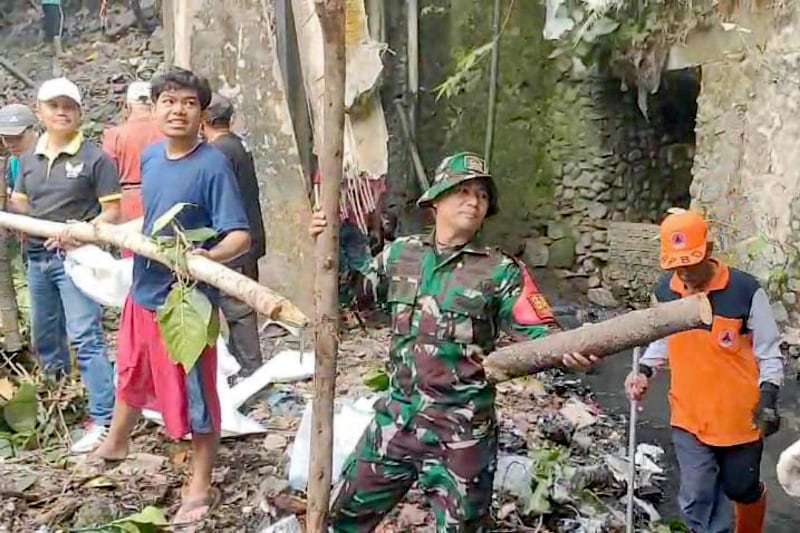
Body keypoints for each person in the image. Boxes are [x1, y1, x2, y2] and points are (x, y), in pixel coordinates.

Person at [309, 151, 597, 531]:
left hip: (461, 434)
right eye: (463, 191)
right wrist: (326, 245)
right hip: (397, 420)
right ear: (436, 201)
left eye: (482, 195)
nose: (474, 201)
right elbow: (352, 294)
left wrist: (570, 351)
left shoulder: (501, 271)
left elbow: (543, 333)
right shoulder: (400, 254)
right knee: (342, 519)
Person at [93, 68, 251, 525]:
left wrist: (206, 256)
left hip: (187, 301)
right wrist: (96, 232)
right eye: (169, 101)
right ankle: (117, 442)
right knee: (131, 369)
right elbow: (154, 222)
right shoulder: (151, 157)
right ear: (155, 108)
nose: (178, 110)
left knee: (197, 393)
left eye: (188, 103)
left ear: (201, 113)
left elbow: (239, 235)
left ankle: (200, 483)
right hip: (144, 291)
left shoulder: (213, 164)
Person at [624, 209, 784, 533]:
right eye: (676, 265)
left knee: (741, 488)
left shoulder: (744, 291)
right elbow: (662, 342)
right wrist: (643, 371)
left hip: (740, 418)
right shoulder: (666, 292)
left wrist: (768, 398)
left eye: (691, 263)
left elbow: (769, 352)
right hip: (689, 416)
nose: (683, 273)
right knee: (698, 495)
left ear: (708, 251)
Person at [11, 78, 120, 453]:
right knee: (45, 337)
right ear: (39, 111)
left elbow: (112, 212)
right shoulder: (28, 159)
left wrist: (81, 232)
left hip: (76, 259)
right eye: (54, 106)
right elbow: (20, 203)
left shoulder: (95, 159)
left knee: (85, 335)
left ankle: (105, 419)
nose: (61, 112)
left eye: (68, 107)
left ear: (79, 113)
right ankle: (60, 407)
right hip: (36, 257)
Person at [200, 94, 265, 376]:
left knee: (238, 307)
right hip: (248, 234)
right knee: (240, 302)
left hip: (231, 239)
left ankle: (252, 369)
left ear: (203, 121)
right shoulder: (238, 145)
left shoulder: (217, 153)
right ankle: (242, 365)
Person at [101, 81, 163, 227]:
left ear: (127, 106)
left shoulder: (114, 135)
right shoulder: (168, 132)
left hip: (127, 201)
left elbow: (107, 176)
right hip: (162, 198)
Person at [0, 104, 38, 198]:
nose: (11, 145)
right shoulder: (13, 163)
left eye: (18, 138)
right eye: (6, 138)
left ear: (35, 131)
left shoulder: (53, 162)